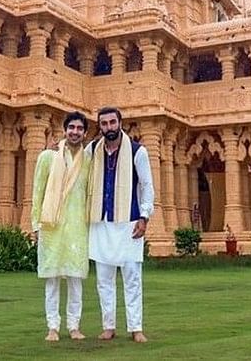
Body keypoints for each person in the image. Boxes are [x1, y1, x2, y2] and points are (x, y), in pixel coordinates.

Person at [87, 107, 154, 343]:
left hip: (129, 222)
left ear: (120, 123)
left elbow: (146, 186)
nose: (109, 128)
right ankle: (109, 326)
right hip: (101, 220)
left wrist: (145, 217)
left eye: (112, 122)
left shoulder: (138, 151)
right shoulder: (93, 150)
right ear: (100, 126)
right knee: (103, 279)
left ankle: (136, 328)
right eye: (104, 124)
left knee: (132, 277)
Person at [31, 111, 91, 342]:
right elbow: (38, 192)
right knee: (52, 279)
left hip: (77, 226)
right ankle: (53, 326)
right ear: (64, 130)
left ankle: (74, 326)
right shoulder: (48, 157)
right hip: (51, 224)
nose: (75, 132)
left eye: (79, 128)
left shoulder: (88, 161)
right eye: (71, 128)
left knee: (76, 280)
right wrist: (36, 225)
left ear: (85, 133)